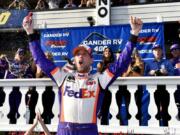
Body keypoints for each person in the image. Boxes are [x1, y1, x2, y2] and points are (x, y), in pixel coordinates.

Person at [23, 14, 143, 135]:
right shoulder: (63, 76)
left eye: (84, 54)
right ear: (74, 60)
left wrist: (134, 34)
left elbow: (121, 64)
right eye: (77, 54)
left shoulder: (99, 79)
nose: (80, 56)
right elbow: (41, 60)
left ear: (91, 60)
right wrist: (30, 32)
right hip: (65, 130)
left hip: (88, 130)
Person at [97, 47, 115, 125]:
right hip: (103, 89)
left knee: (110, 109)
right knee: (103, 110)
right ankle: (103, 128)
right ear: (103, 53)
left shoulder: (115, 63)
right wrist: (99, 67)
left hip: (113, 88)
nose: (107, 52)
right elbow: (99, 75)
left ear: (111, 53)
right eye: (105, 51)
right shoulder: (100, 63)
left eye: (108, 51)